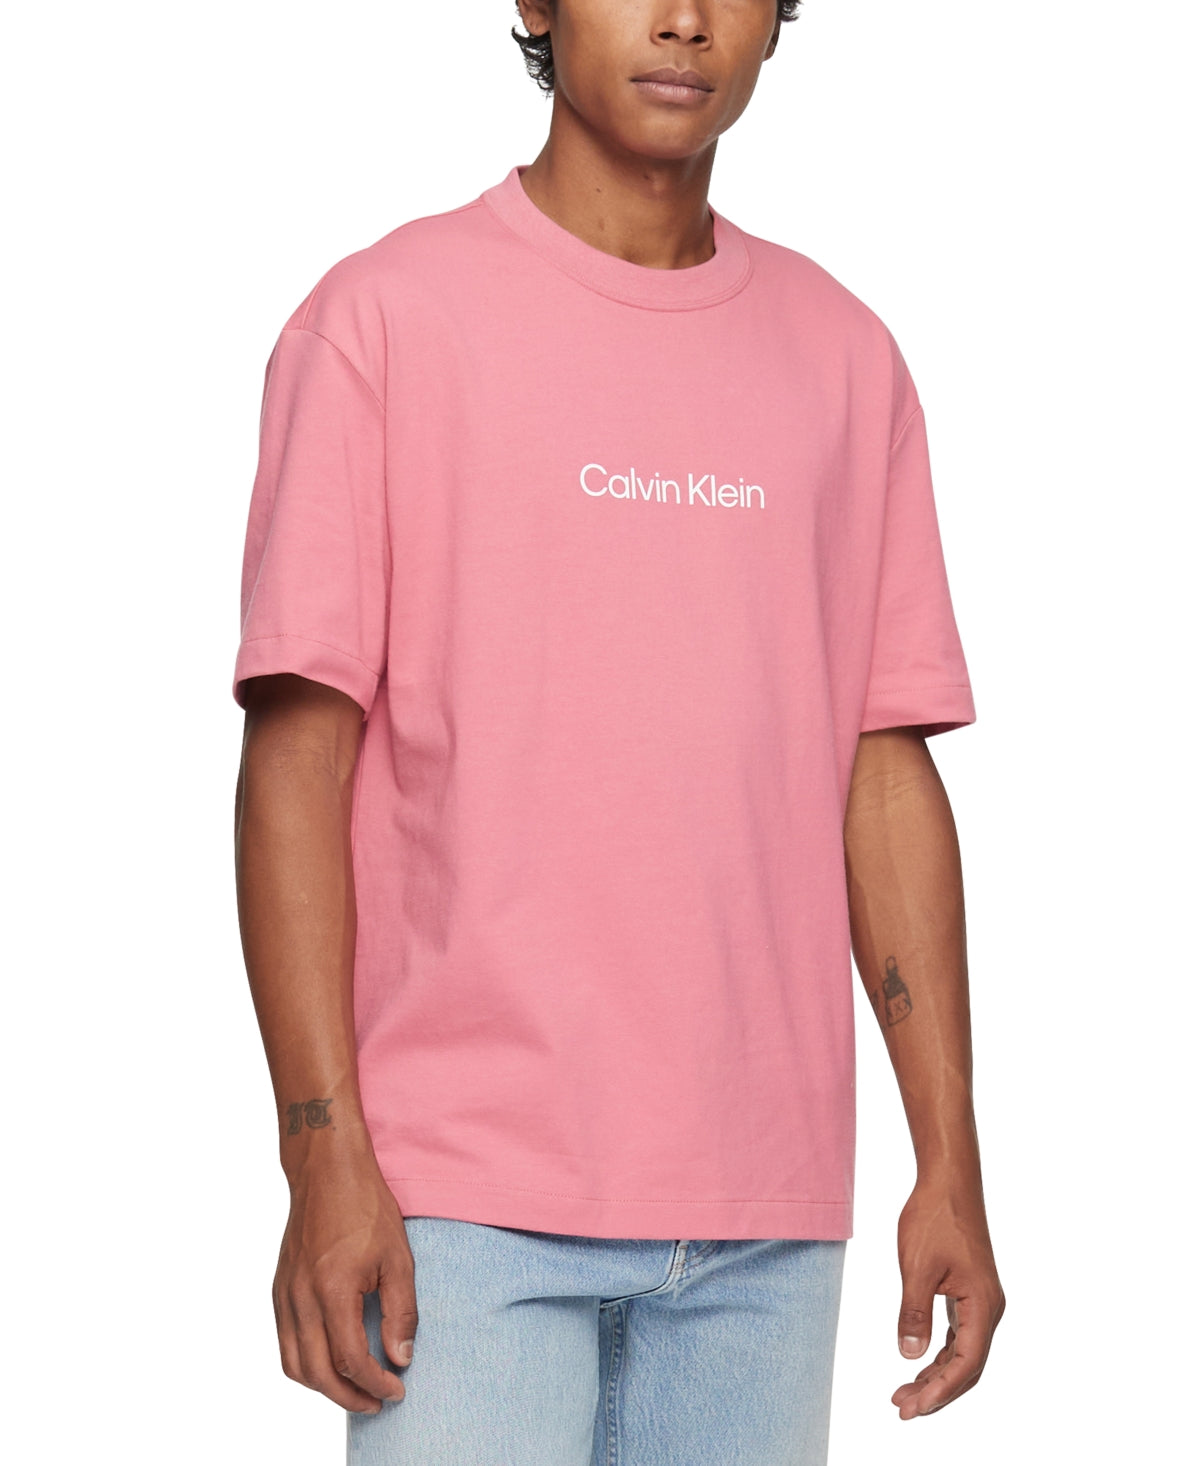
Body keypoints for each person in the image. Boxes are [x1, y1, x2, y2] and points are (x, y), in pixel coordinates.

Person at [231, 3, 1005, 1462]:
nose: (683, 19)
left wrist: (949, 1159)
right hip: (460, 1206)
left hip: (766, 1222)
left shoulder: (846, 361)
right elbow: (295, 760)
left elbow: (880, 772)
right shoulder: (382, 322)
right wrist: (320, 1154)